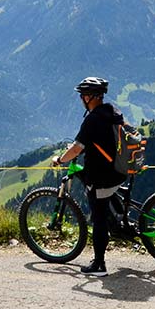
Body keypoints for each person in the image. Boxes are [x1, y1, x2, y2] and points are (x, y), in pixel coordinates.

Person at [52, 76, 127, 276]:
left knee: (99, 218)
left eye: (82, 95)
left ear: (90, 97)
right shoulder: (111, 110)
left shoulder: (92, 119)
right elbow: (101, 141)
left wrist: (60, 159)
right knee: (106, 200)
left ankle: (99, 265)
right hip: (119, 170)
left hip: (103, 176)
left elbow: (77, 149)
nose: (81, 98)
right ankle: (121, 223)